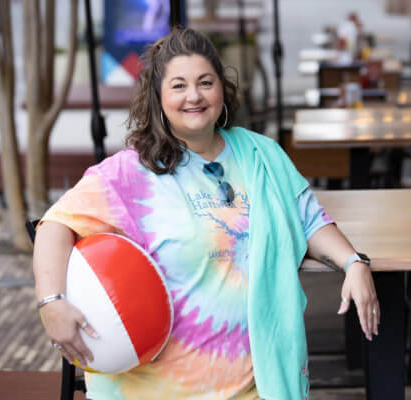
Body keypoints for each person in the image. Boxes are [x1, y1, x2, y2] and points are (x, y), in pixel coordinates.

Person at [33, 27, 380, 400]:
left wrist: (353, 263)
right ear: (158, 98)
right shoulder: (131, 173)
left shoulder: (262, 155)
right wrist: (51, 303)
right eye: (179, 86)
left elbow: (309, 220)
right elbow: (56, 224)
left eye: (205, 82)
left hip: (257, 385)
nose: (194, 96)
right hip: (161, 388)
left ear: (222, 89)